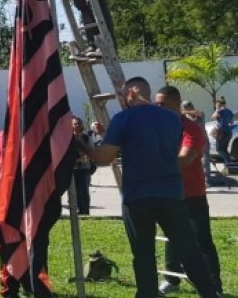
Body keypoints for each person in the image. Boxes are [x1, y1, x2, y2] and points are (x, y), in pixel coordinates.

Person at [74, 77, 217, 297]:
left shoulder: (123, 119)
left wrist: (80, 144)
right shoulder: (172, 119)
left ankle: (147, 294)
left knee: (143, 255)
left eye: (122, 94)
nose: (121, 99)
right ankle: (209, 293)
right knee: (189, 250)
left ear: (131, 92)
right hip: (171, 194)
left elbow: (104, 157)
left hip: (138, 196)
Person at [155, 86, 222, 296]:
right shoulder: (158, 128)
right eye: (156, 104)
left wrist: (150, 161)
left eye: (162, 104)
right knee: (170, 237)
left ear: (177, 104)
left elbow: (185, 159)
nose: (158, 108)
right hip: (167, 193)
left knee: (201, 240)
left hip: (192, 194)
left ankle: (214, 287)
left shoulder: (191, 129)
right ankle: (172, 280)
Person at [69, 117, 93, 215]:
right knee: (74, 192)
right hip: (72, 169)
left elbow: (92, 150)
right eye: (75, 124)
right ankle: (78, 211)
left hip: (85, 168)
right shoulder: (68, 139)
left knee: (84, 190)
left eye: (79, 123)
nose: (78, 125)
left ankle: (85, 212)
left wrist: (89, 156)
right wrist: (77, 159)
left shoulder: (86, 138)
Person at [211, 96, 233, 160]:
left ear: (219, 104)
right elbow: (231, 123)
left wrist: (217, 109)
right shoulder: (229, 111)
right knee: (224, 149)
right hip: (229, 132)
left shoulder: (219, 111)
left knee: (219, 150)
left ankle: (227, 162)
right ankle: (228, 163)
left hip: (221, 133)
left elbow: (212, 117)